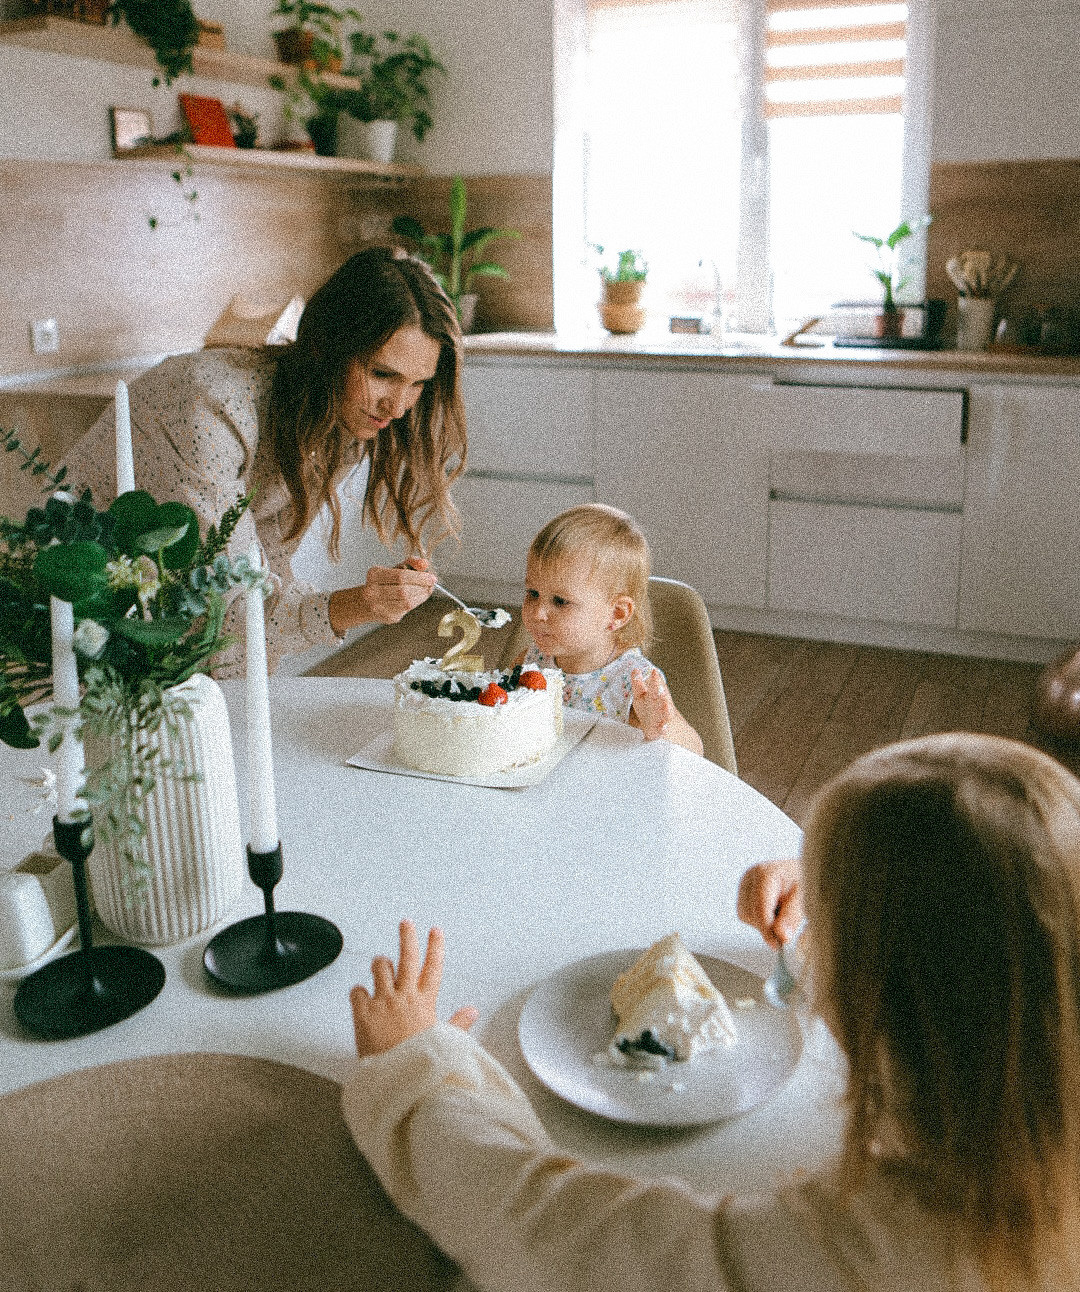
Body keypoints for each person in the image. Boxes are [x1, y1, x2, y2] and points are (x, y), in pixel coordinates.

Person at [342, 732, 1080, 1292]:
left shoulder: (867, 1252)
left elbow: (543, 1230)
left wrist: (414, 1068)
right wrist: (836, 886)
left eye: (833, 930)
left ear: (882, 1008)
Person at [62, 248, 466, 674]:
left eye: (418, 383)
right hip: (56, 620)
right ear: (326, 349)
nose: (399, 406)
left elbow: (260, 577)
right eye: (382, 375)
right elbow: (225, 616)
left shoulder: (340, 420)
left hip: (148, 624)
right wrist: (358, 605)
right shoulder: (214, 410)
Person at [515, 502, 703, 755]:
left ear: (617, 614)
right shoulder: (532, 662)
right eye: (533, 593)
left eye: (560, 601)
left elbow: (694, 749)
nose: (538, 613)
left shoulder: (634, 681)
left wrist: (658, 728)